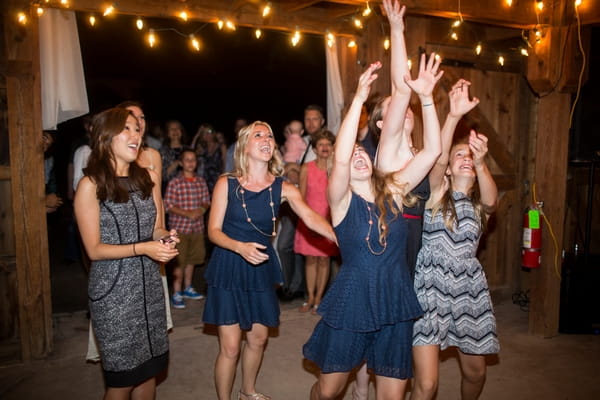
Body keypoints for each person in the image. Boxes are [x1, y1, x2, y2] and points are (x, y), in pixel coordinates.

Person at [303, 51, 442, 399]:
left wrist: (426, 98)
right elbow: (339, 154)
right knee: (328, 389)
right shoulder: (342, 201)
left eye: (362, 153)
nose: (357, 156)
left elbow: (432, 152)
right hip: (353, 299)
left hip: (395, 298)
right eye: (352, 157)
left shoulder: (395, 190)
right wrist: (359, 100)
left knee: (393, 394)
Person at [201, 120, 337, 400]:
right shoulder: (226, 183)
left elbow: (310, 217)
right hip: (229, 267)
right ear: (245, 146)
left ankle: (247, 391)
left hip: (260, 266)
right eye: (257, 135)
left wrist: (342, 237)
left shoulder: (283, 187)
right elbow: (213, 231)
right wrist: (238, 247)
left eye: (270, 135)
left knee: (259, 339)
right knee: (230, 347)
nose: (266, 139)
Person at [74, 107, 179, 399]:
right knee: (121, 383)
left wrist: (164, 238)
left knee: (149, 375)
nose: (136, 134)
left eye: (138, 129)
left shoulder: (147, 178)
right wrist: (143, 248)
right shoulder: (90, 186)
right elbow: (94, 250)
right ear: (106, 137)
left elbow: (155, 227)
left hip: (149, 289)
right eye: (127, 129)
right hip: (114, 294)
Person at [411, 79, 499, 400]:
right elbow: (438, 157)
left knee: (476, 373)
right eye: (459, 155)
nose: (464, 157)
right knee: (427, 384)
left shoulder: (478, 205)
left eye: (469, 155)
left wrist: (480, 161)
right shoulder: (435, 195)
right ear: (449, 171)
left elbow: (491, 202)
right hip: (430, 288)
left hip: (468, 290)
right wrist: (452, 116)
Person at [294, 129, 339, 314]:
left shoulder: (336, 170)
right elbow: (301, 197)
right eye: (321, 144)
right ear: (314, 148)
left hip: (329, 221)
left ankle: (319, 300)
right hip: (309, 220)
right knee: (310, 260)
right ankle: (310, 297)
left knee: (324, 260)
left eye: (328, 144)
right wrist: (306, 221)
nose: (325, 147)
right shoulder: (306, 168)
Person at [164, 148, 211, 309]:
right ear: (181, 163)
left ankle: (188, 287)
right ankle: (176, 292)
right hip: (179, 229)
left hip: (197, 228)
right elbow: (168, 204)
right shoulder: (175, 182)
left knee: (192, 259)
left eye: (193, 159)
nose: (190, 162)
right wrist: (187, 213)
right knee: (179, 261)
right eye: (187, 160)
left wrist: (201, 210)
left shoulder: (200, 181)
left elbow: (206, 201)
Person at [192, 123, 226, 193]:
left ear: (214, 133)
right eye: (204, 133)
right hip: (204, 180)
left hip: (218, 179)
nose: (207, 134)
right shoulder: (202, 148)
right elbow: (190, 152)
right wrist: (197, 135)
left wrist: (224, 179)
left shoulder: (221, 146)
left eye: (209, 132)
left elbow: (225, 163)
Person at [159, 119, 187, 192]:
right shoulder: (162, 151)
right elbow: (162, 176)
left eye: (177, 128)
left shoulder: (188, 150)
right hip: (169, 190)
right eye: (172, 129)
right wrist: (176, 163)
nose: (175, 130)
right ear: (168, 133)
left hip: (187, 188)